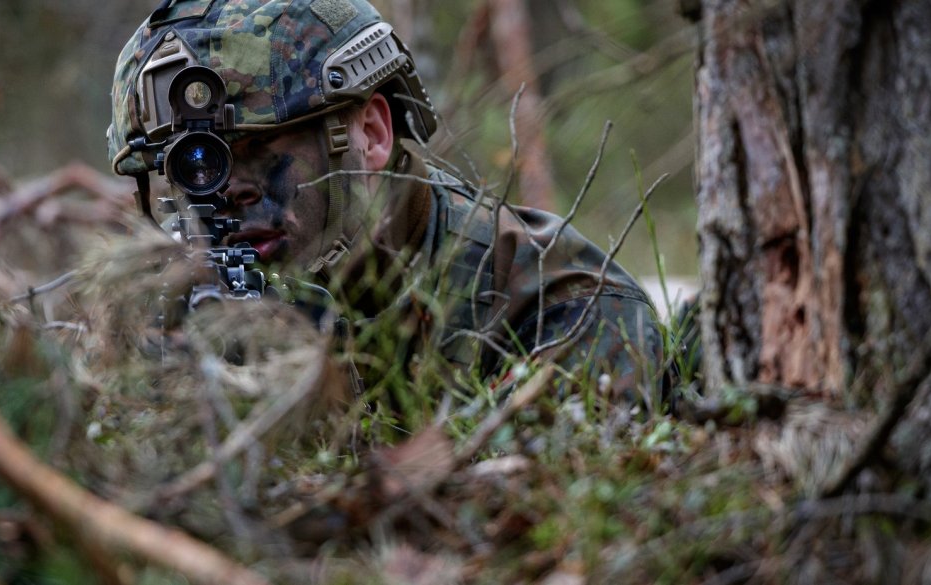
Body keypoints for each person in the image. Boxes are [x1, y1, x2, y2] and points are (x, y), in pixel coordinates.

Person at [106, 0, 669, 405]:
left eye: (256, 147)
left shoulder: (560, 310)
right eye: (189, 166)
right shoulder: (174, 313)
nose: (227, 189)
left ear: (371, 134)